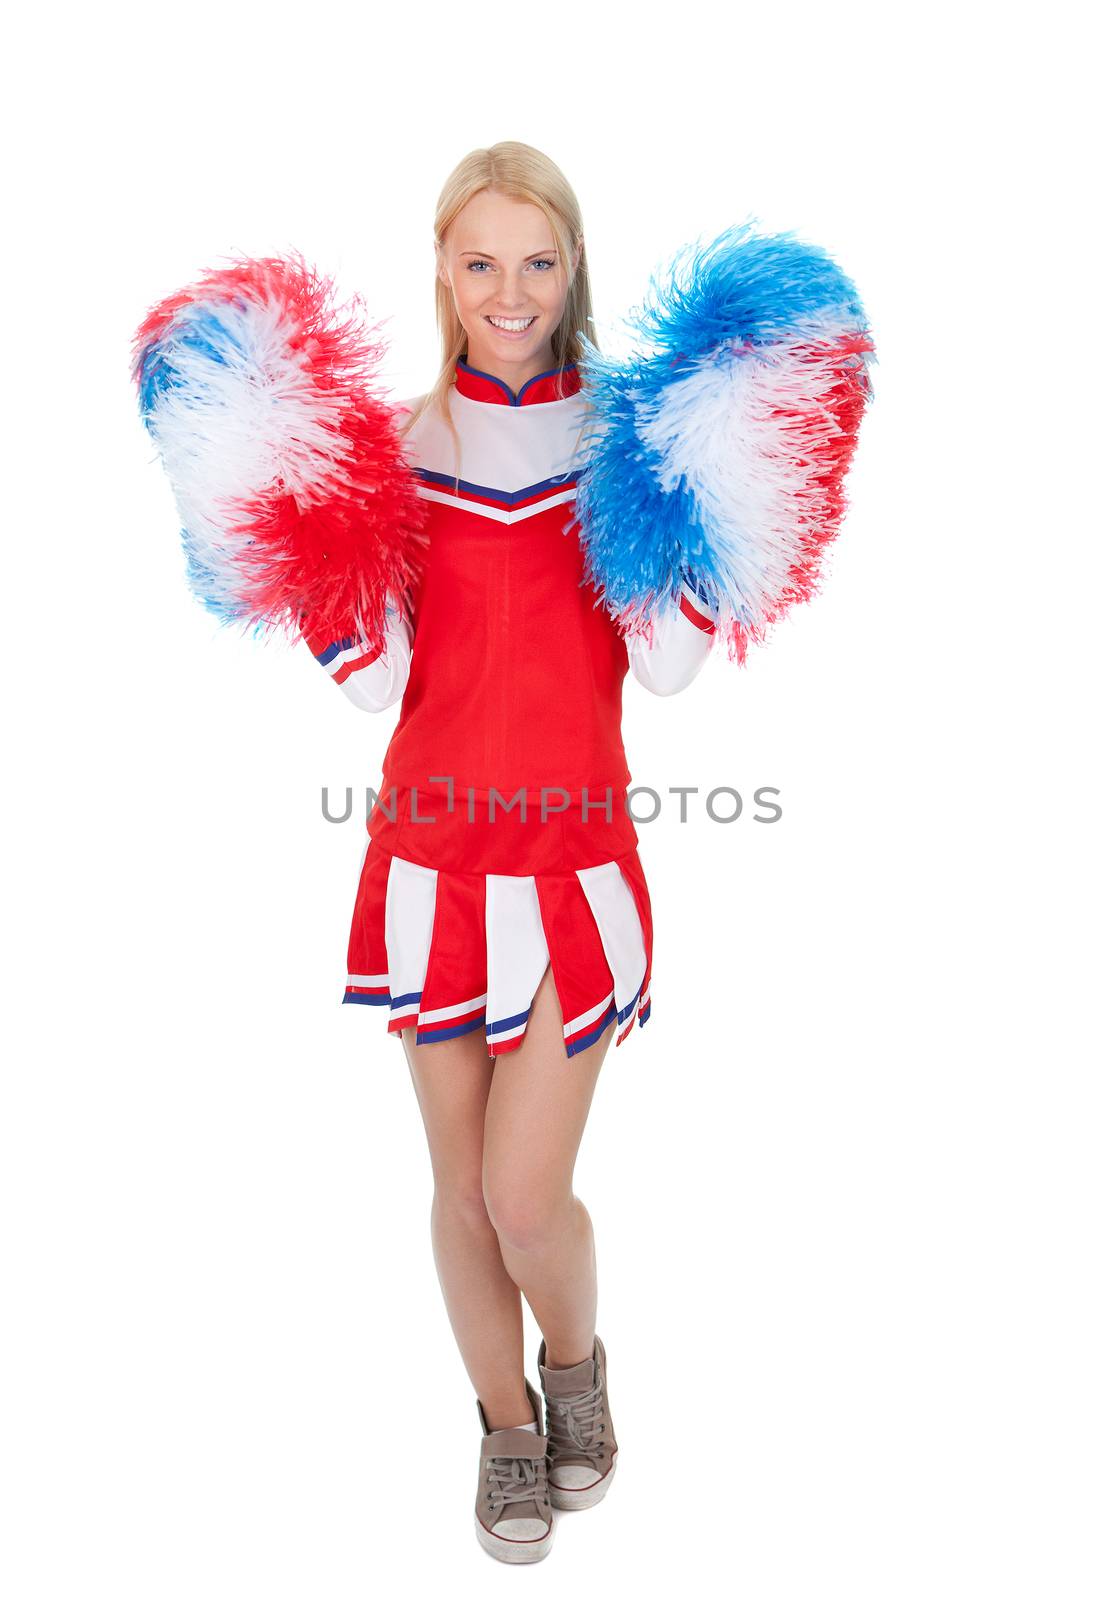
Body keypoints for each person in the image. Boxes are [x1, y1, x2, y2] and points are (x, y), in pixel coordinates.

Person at [302, 142, 718, 1564]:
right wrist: (312, 561)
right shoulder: (393, 452)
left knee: (525, 1195)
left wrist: (698, 528)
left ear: (574, 267)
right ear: (439, 267)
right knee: (461, 1188)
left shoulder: (632, 440)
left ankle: (580, 1364)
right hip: (429, 870)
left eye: (537, 261)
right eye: (479, 261)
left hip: (581, 869)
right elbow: (373, 686)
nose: (510, 290)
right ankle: (506, 1429)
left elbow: (663, 674)